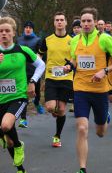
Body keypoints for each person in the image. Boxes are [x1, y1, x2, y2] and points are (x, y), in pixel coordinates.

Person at [65, 7, 112, 173]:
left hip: (99, 91)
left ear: (95, 23)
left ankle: (104, 118)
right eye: (83, 21)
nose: (85, 24)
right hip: (80, 89)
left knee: (100, 132)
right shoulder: (75, 40)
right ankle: (82, 168)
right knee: (82, 128)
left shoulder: (105, 39)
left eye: (89, 21)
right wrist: (69, 66)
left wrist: (105, 70)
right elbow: (75, 60)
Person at [0, 16, 45, 173]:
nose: (3, 33)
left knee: (5, 125)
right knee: (10, 141)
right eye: (0, 31)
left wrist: (32, 81)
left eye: (7, 31)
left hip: (17, 97)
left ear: (13, 33)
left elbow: (41, 65)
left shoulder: (22, 50)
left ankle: (18, 145)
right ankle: (20, 168)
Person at [38, 12, 74, 147]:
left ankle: (57, 136)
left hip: (66, 78)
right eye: (57, 20)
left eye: (62, 20)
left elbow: (74, 57)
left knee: (61, 110)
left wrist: (69, 65)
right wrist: (38, 66)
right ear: (54, 23)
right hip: (51, 77)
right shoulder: (47, 40)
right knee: (50, 107)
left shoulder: (72, 40)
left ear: (66, 22)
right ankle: (55, 110)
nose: (59, 22)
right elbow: (39, 55)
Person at [17, 20, 45, 129]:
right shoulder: (19, 40)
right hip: (21, 71)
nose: (28, 29)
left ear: (33, 29)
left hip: (34, 71)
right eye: (26, 27)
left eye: (30, 27)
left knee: (36, 93)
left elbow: (41, 56)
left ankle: (37, 103)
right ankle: (23, 119)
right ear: (24, 29)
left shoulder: (38, 40)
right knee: (23, 95)